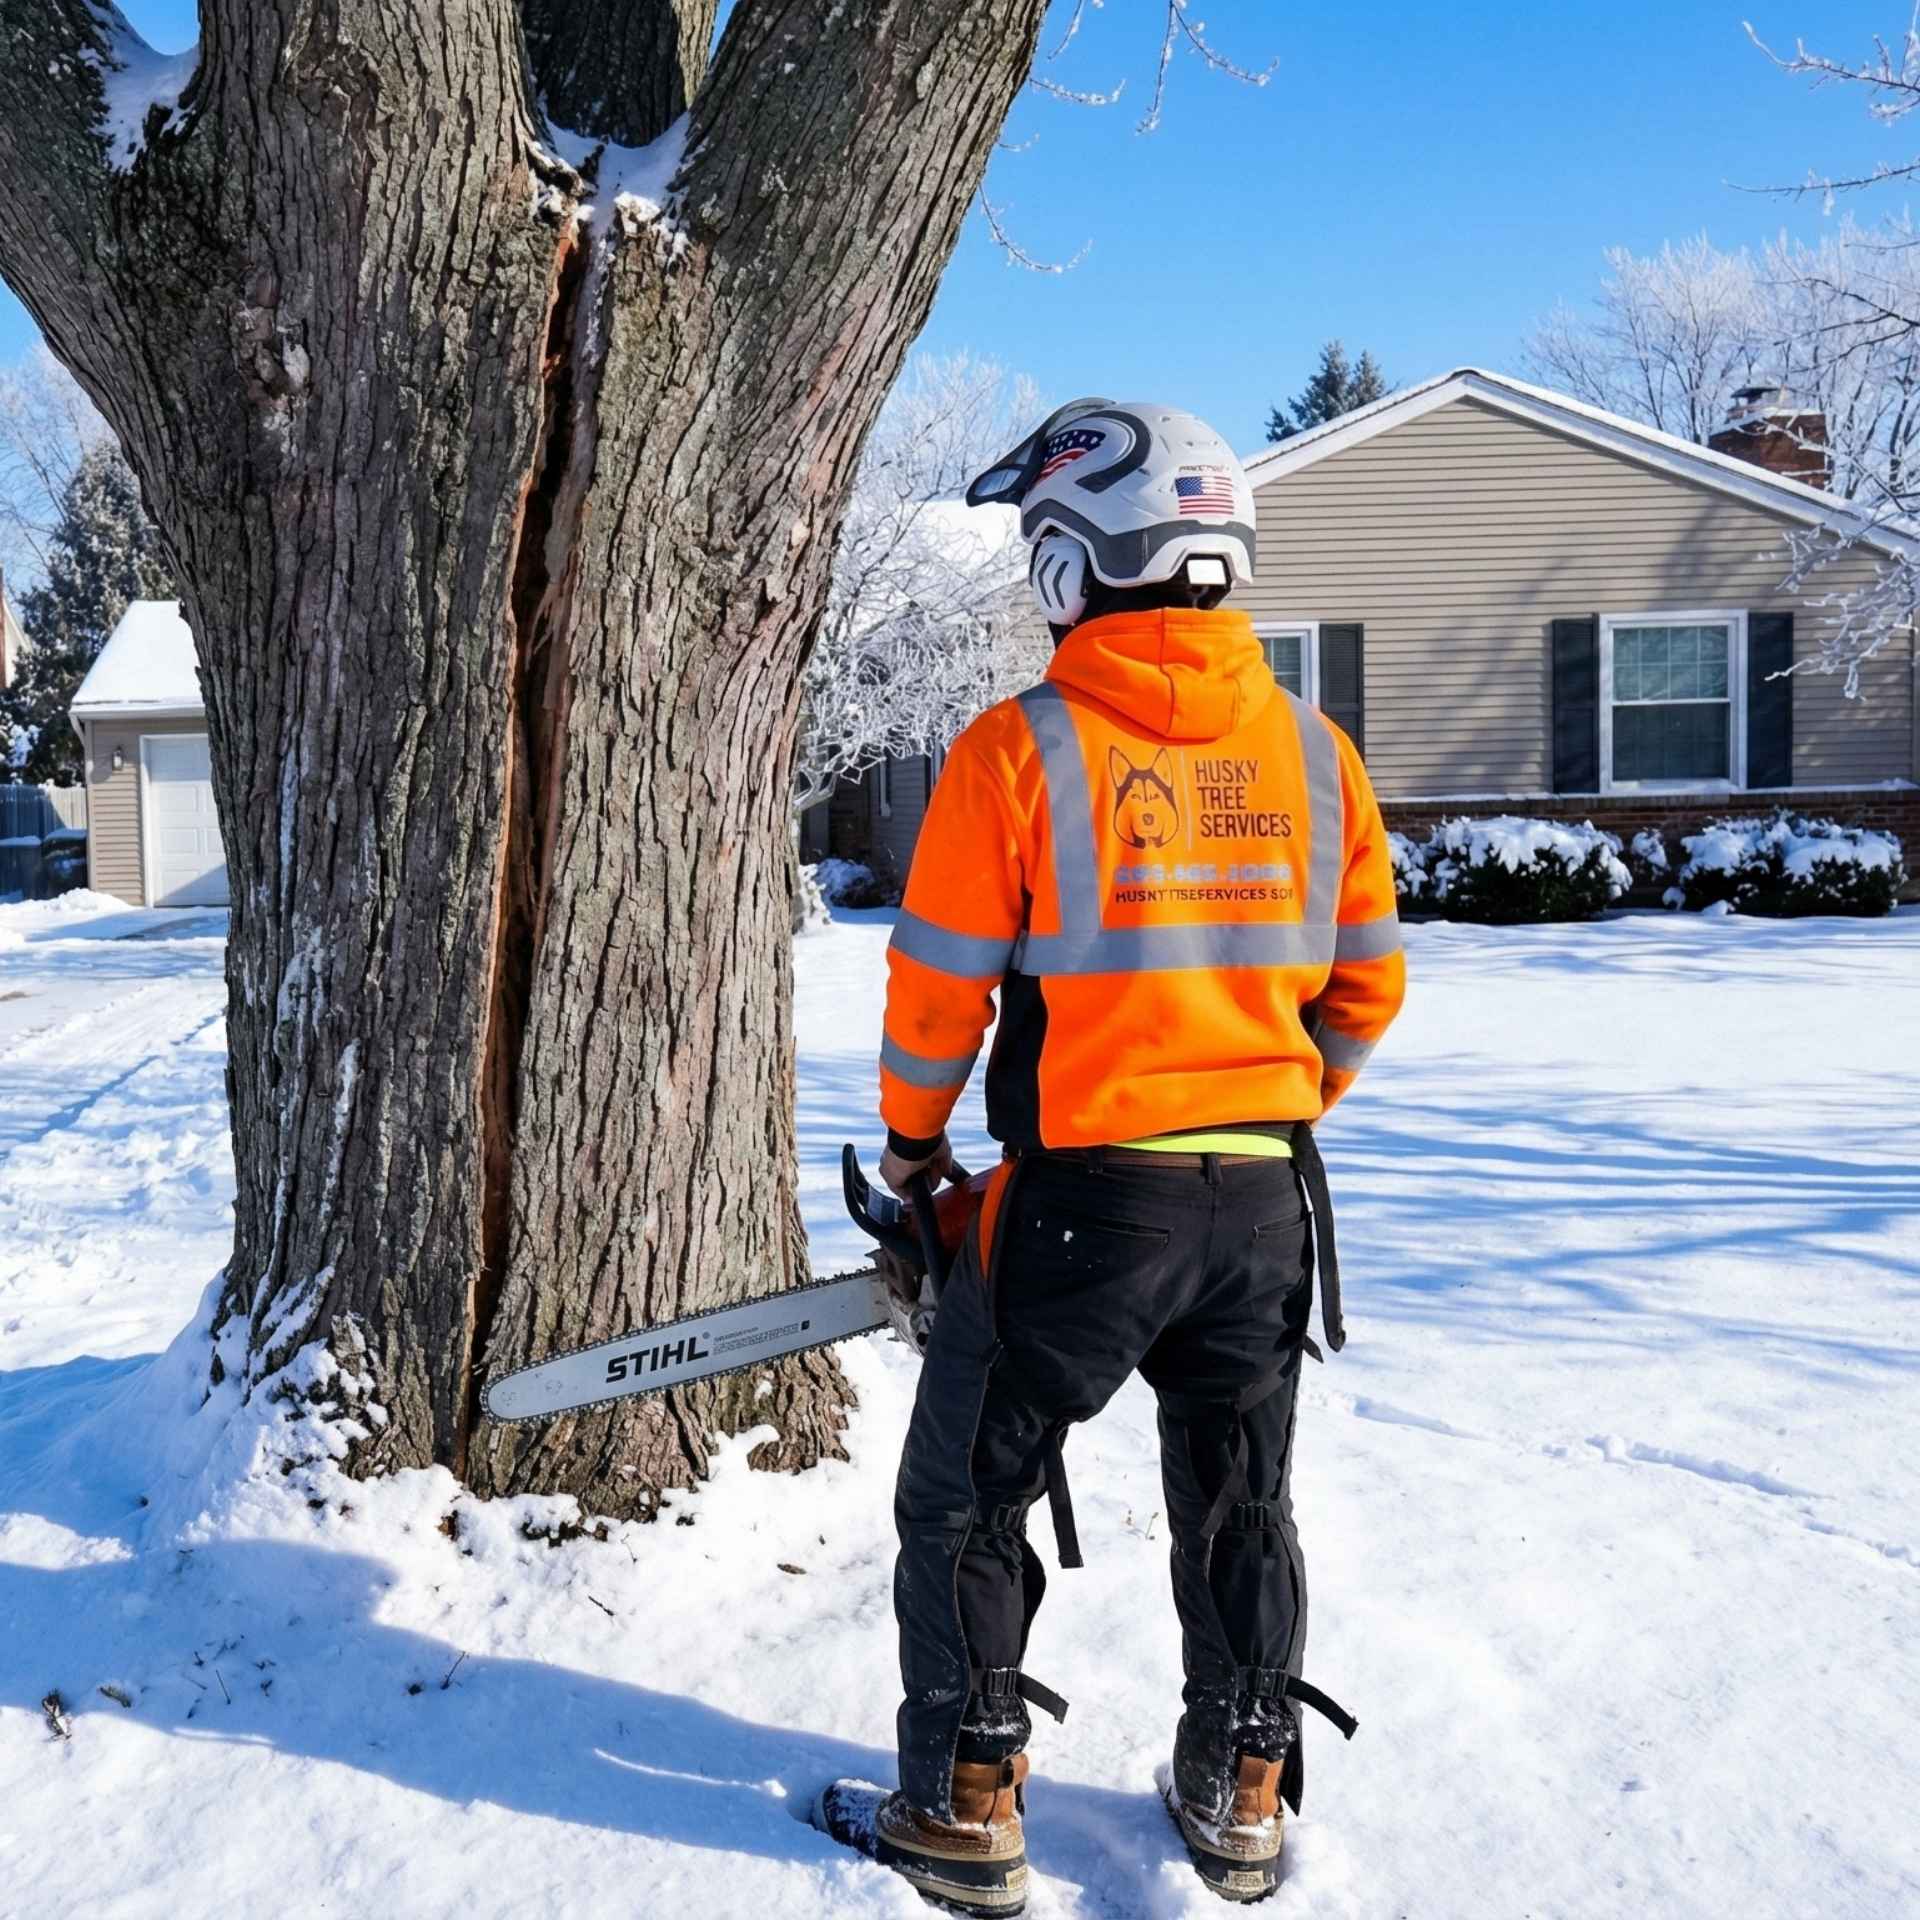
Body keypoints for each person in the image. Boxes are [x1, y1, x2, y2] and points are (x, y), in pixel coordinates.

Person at [816, 399, 1406, 1912]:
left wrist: (914, 1154)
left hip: (1082, 1207)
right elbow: (1368, 983)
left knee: (965, 1498)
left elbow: (940, 984)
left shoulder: (1021, 752)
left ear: (1079, 563)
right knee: (1239, 1494)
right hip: (1269, 1208)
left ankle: (962, 1794)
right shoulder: (1318, 754)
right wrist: (1268, 1108)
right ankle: (1242, 1780)